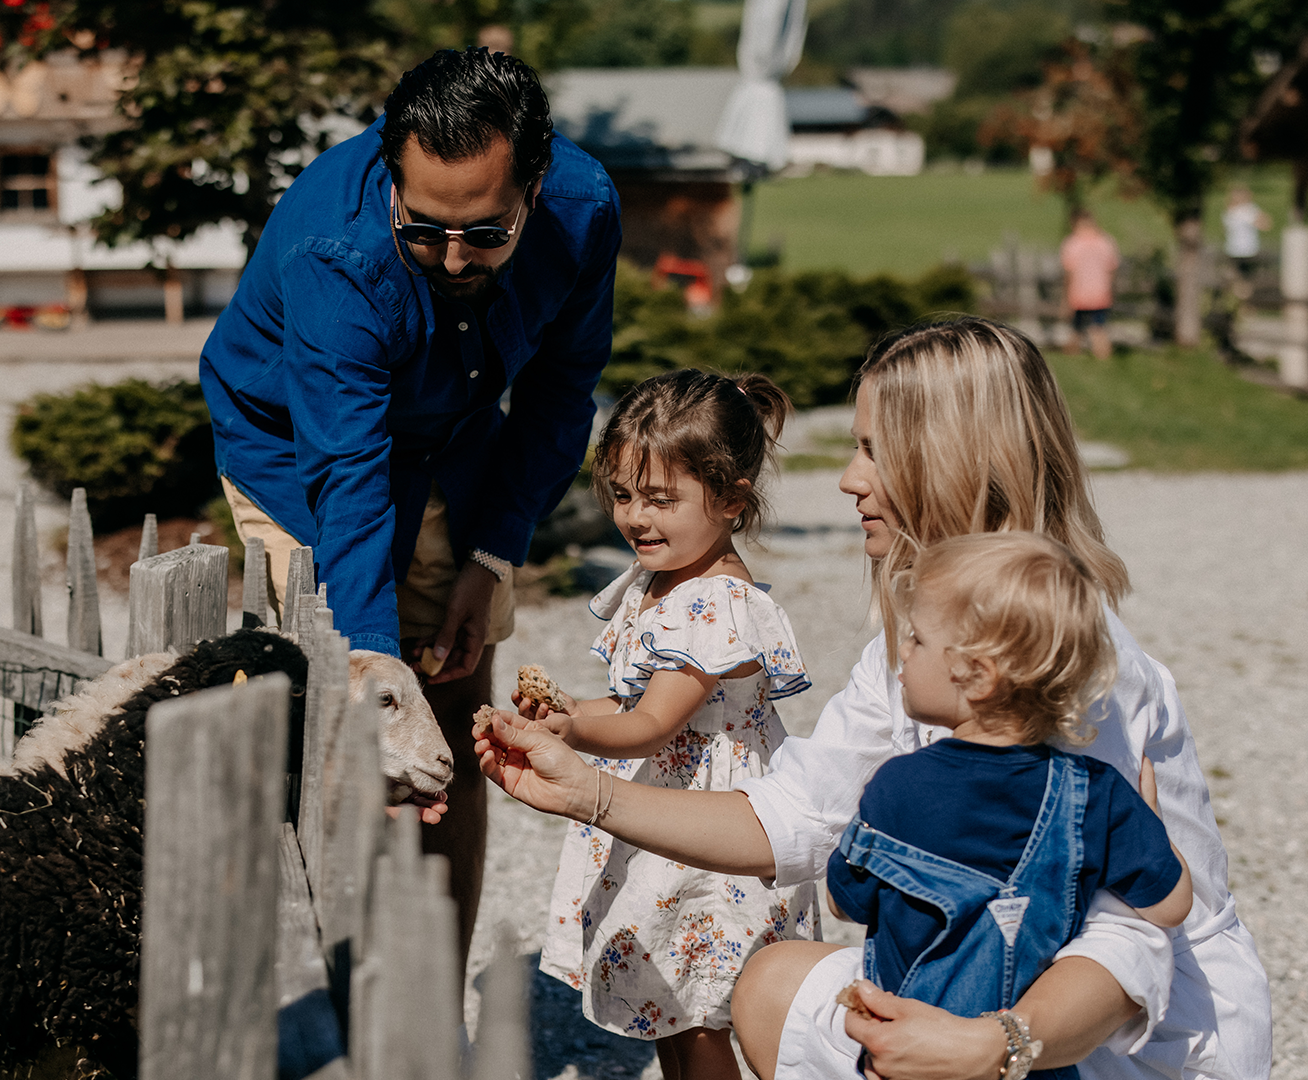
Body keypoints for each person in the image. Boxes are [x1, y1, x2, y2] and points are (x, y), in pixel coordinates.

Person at [473, 317, 1270, 1080]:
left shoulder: (1076, 668)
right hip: (983, 979)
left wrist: (993, 1047)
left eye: (873, 452)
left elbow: (1131, 933)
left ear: (958, 462)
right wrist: (590, 792)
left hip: (1110, 1036)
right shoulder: (912, 654)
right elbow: (795, 815)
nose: (851, 480)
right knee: (772, 981)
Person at [200, 47, 621, 969]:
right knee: (351, 718)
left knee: (454, 719)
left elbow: (560, 394)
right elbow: (346, 471)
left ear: (537, 187)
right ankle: (335, 990)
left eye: (486, 233)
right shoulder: (334, 250)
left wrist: (493, 556)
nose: (455, 258)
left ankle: (429, 1012)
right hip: (298, 448)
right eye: (424, 231)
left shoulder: (585, 209)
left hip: (456, 433)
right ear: (392, 177)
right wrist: (372, 666)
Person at [513, 369, 814, 1080]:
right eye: (621, 495)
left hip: (703, 831)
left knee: (703, 1008)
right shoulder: (665, 579)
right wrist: (561, 714)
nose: (635, 517)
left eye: (660, 499)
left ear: (732, 500)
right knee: (668, 1007)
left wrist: (575, 735)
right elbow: (630, 703)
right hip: (663, 820)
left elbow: (650, 725)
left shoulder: (716, 603)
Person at [826, 532, 1193, 1080]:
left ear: (978, 673)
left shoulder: (896, 785)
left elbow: (843, 902)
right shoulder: (1093, 793)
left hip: (908, 1053)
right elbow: (1170, 907)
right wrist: (1153, 827)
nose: (902, 651)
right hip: (1020, 1061)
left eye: (918, 640)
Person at [1060, 211, 1120, 361]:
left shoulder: (1072, 243)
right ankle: (1102, 356)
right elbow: (1112, 269)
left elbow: (1069, 273)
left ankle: (1075, 356)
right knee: (1097, 326)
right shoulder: (1106, 242)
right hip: (1101, 293)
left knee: (1077, 327)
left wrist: (1066, 296)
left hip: (1079, 292)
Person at [1221, 186, 1271, 300]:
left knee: (1243, 279)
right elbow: (1265, 224)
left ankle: (1241, 302)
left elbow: (1265, 224)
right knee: (1242, 278)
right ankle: (1241, 302)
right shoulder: (1242, 210)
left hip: (1244, 250)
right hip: (1240, 249)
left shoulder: (1240, 210)